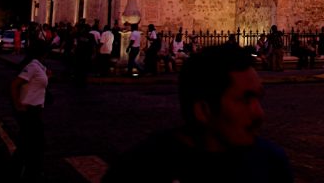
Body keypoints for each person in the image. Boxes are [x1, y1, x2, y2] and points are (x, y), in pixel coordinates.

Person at [102, 43, 293, 182]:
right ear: (203, 110)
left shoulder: (271, 164)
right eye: (244, 100)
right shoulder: (140, 171)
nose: (259, 113)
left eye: (258, 98)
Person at [10, 41, 51, 181]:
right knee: (32, 144)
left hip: (35, 110)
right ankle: (30, 172)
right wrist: (18, 105)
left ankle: (28, 171)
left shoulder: (40, 67)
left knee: (29, 143)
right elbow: (15, 85)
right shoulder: (33, 66)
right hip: (29, 111)